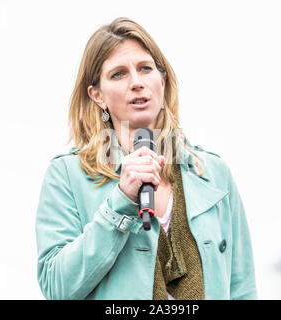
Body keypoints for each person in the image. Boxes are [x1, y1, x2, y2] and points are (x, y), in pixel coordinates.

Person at [35, 17, 257, 300]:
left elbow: (243, 288)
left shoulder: (213, 174)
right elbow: (57, 287)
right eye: (118, 74)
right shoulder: (67, 174)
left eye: (145, 68)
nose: (137, 82)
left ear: (162, 81)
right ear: (98, 95)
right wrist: (119, 202)